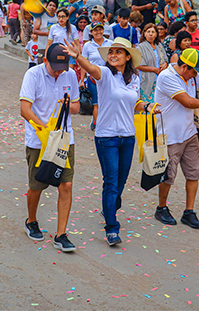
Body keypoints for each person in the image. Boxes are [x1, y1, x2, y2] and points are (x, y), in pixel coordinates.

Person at [63, 37, 158, 246]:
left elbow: (135, 101)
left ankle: (109, 208)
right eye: (111, 52)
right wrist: (78, 57)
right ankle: (112, 228)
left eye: (118, 51)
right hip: (106, 137)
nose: (113, 55)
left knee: (120, 182)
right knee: (111, 181)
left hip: (128, 137)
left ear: (127, 57)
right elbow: (91, 68)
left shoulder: (133, 77)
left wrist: (147, 106)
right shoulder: (105, 74)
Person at [19, 43, 80, 252]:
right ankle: (31, 220)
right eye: (54, 67)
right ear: (45, 60)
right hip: (38, 139)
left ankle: (61, 234)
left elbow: (77, 107)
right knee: (37, 185)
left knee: (66, 185)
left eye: (62, 68)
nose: (58, 72)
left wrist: (67, 103)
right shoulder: (33, 75)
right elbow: (24, 109)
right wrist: (43, 128)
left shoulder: (69, 75)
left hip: (64, 138)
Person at [154, 48, 199, 227]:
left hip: (189, 132)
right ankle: (161, 208)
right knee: (169, 175)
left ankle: (189, 212)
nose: (196, 75)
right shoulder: (167, 76)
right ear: (184, 66)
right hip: (169, 135)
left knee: (194, 173)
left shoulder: (192, 75)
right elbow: (188, 102)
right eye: (194, 71)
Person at [82, 22, 113, 131]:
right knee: (96, 102)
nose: (98, 32)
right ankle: (98, 125)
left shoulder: (110, 43)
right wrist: (82, 80)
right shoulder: (88, 46)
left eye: (100, 29)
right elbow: (84, 63)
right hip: (93, 78)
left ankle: (104, 122)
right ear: (91, 32)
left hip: (107, 77)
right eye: (95, 30)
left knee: (108, 101)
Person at [137, 23, 168, 102]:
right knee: (149, 106)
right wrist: (154, 69)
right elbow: (138, 65)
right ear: (144, 34)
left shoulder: (159, 46)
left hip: (160, 79)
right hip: (147, 79)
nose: (150, 34)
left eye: (153, 32)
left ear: (156, 34)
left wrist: (165, 64)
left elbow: (165, 59)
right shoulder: (140, 47)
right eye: (148, 32)